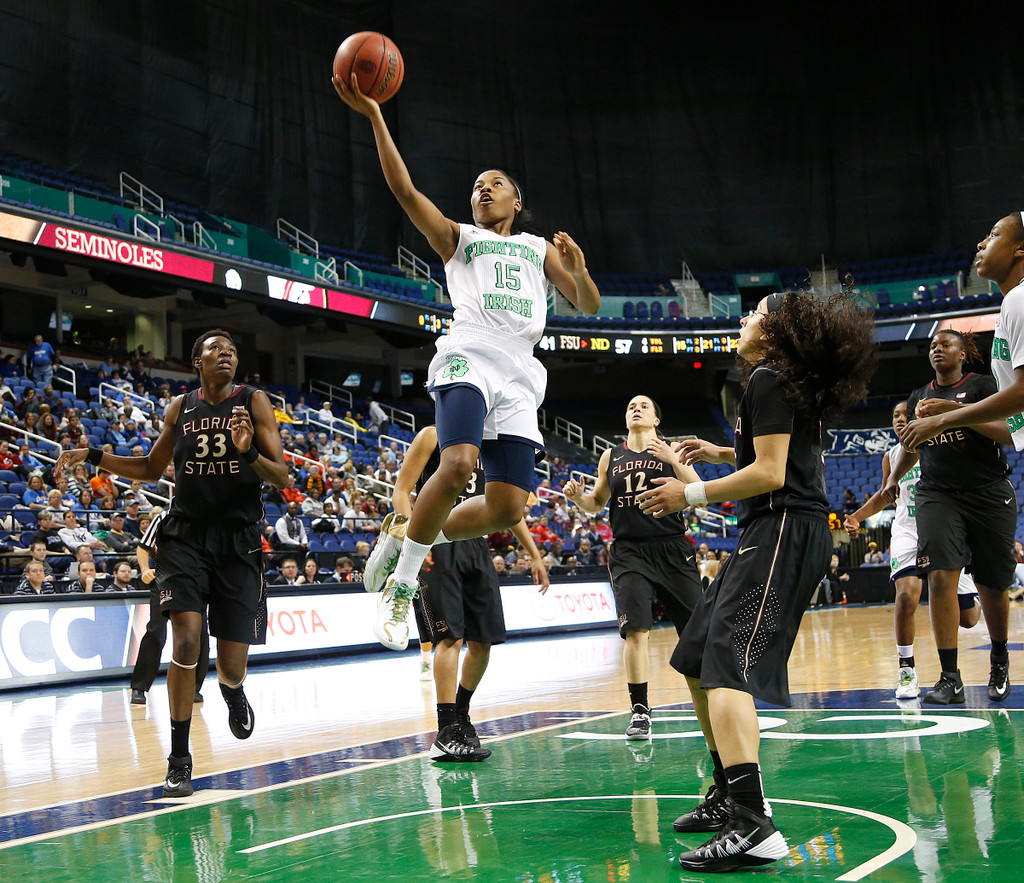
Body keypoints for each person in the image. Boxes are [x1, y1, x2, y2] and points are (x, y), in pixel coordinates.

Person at [335, 73, 599, 653]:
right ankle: (402, 585)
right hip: (470, 353)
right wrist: (376, 116)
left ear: (516, 202)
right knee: (456, 464)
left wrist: (578, 272)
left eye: (495, 184)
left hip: (521, 369)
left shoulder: (536, 248)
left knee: (506, 508)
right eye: (477, 186)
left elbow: (588, 304)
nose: (483, 190)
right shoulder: (460, 239)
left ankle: (405, 537)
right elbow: (406, 192)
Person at [636, 292, 876, 873]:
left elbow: (771, 473)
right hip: (775, 528)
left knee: (726, 664)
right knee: (696, 657)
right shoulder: (780, 382)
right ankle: (727, 792)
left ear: (776, 332)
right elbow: (777, 453)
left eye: (756, 313)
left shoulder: (769, 377)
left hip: (783, 527)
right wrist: (723, 452)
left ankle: (752, 822)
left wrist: (689, 493)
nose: (744, 320)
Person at [55, 328, 288, 799]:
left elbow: (281, 477)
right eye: (216, 349)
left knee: (231, 666)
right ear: (197, 362)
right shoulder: (180, 408)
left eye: (232, 350)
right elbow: (149, 467)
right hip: (185, 538)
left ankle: (232, 690)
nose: (226, 355)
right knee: (185, 639)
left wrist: (248, 451)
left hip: (238, 544)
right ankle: (179, 758)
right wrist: (95, 455)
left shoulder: (254, 401)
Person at [393, 425, 548, 760]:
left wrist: (535, 555)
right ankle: (445, 730)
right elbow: (402, 491)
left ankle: (460, 716)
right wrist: (414, 542)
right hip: (435, 538)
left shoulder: (489, 443)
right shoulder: (432, 436)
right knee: (449, 638)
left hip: (476, 544)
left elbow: (507, 507)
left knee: (483, 642)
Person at [882, 329, 1015, 704]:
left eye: (945, 344)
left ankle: (999, 659)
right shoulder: (918, 396)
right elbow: (912, 445)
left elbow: (1009, 433)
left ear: (963, 353)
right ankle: (950, 678)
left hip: (987, 491)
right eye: (932, 346)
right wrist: (893, 477)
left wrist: (950, 415)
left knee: (992, 585)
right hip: (937, 494)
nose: (937, 349)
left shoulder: (983, 386)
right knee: (940, 576)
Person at [563, 395, 704, 741]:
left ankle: (711, 696)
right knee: (636, 630)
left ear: (656, 419)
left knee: (697, 632)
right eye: (630, 406)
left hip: (672, 548)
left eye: (643, 406)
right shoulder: (610, 456)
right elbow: (596, 503)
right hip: (629, 551)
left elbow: (698, 489)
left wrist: (673, 458)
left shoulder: (670, 449)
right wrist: (578, 498)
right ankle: (640, 710)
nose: (636, 409)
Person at [846, 401, 981, 699]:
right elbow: (886, 495)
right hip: (907, 530)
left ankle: (974, 593)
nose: (899, 419)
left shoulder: (942, 443)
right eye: (894, 415)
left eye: (904, 415)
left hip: (943, 528)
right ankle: (906, 671)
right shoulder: (891, 456)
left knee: (969, 618)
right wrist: (857, 516)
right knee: (907, 595)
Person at [129, 509, 210, 706]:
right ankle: (139, 686)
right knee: (156, 630)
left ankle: (193, 688)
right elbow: (143, 547)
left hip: (195, 580)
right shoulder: (163, 517)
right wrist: (145, 569)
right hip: (165, 577)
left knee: (200, 633)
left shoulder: (207, 517)